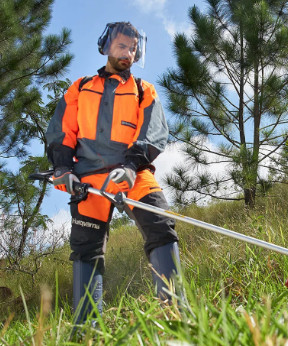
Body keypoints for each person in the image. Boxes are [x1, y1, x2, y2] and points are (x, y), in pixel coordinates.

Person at [46, 22, 181, 325]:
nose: (128, 53)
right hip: (88, 178)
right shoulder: (80, 88)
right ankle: (87, 327)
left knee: (160, 223)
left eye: (133, 49)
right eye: (122, 46)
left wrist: (132, 166)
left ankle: (174, 313)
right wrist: (64, 168)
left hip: (131, 172)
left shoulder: (143, 90)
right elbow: (62, 131)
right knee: (86, 246)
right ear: (106, 46)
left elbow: (153, 132)